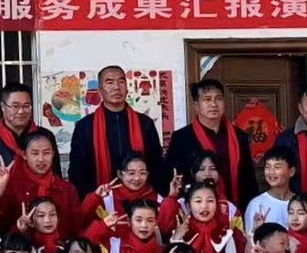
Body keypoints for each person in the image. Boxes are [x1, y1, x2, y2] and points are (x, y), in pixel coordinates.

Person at [67, 66, 166, 195]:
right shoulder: (85, 126)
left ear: (127, 88)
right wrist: (90, 200)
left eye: (121, 81)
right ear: (100, 90)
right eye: (109, 82)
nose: (116, 87)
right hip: (100, 198)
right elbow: (77, 171)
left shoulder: (145, 123)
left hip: (141, 199)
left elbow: (156, 164)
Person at [163, 79, 259, 207]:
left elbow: (249, 178)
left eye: (218, 99)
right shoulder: (181, 138)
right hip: (197, 209)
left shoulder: (240, 136)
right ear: (196, 106)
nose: (213, 104)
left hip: (235, 208)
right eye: (207, 99)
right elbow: (174, 178)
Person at [0, 81, 38, 167]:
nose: (21, 111)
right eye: (15, 106)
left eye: (26, 106)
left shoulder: (44, 137)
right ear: (3, 107)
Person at [244, 147, 297, 230]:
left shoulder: (300, 203)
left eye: (277, 167)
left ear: (291, 171)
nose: (271, 172)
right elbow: (250, 235)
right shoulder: (256, 204)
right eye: (267, 167)